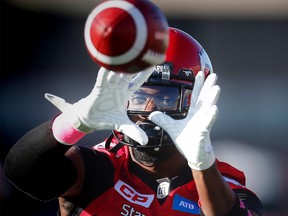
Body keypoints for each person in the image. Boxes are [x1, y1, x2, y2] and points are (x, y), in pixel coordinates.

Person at [4, 27, 263, 216]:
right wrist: (76, 121)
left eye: (164, 98)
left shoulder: (224, 187)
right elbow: (22, 171)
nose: (147, 111)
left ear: (196, 102)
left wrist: (202, 163)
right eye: (135, 96)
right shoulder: (96, 170)